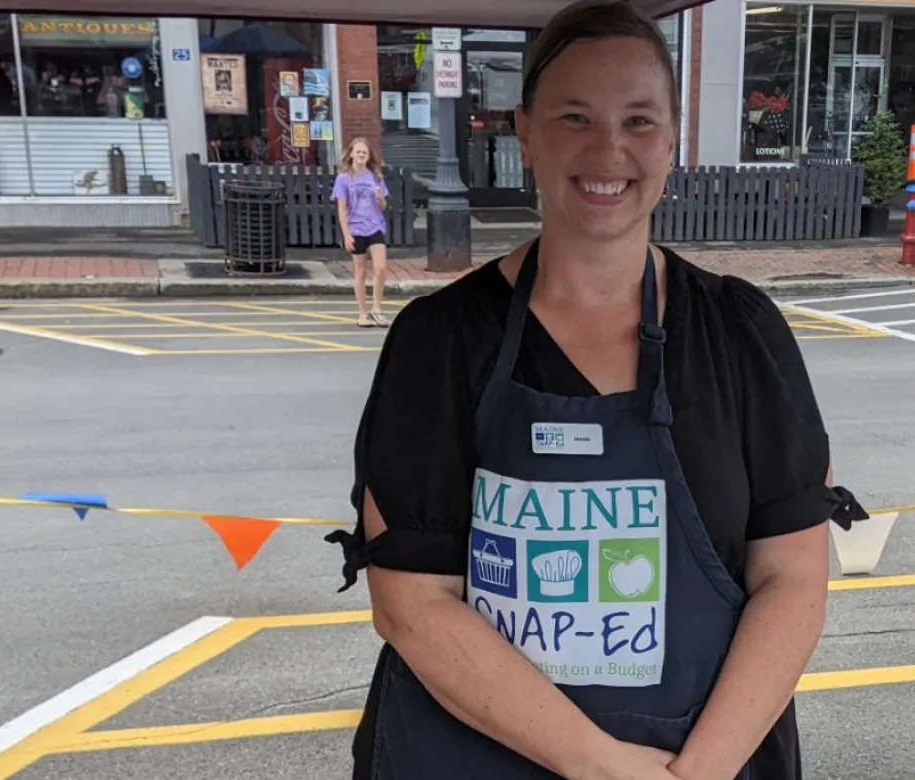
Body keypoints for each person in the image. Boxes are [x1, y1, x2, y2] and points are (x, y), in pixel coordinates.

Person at [327, 1, 866, 777]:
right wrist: (602, 766)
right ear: (527, 133)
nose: (609, 149)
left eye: (639, 121)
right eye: (576, 117)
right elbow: (412, 603)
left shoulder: (741, 334)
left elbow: (791, 578)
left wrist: (697, 773)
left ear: (673, 140)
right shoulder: (441, 341)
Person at [334, 137, 392, 327]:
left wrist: (380, 199)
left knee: (381, 268)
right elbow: (342, 208)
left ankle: (377, 308)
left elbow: (384, 206)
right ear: (351, 154)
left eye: (364, 153)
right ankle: (362, 312)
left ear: (368, 157)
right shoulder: (343, 179)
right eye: (358, 152)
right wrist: (346, 234)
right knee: (360, 271)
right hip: (356, 227)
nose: (361, 155)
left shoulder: (375, 177)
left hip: (374, 225)